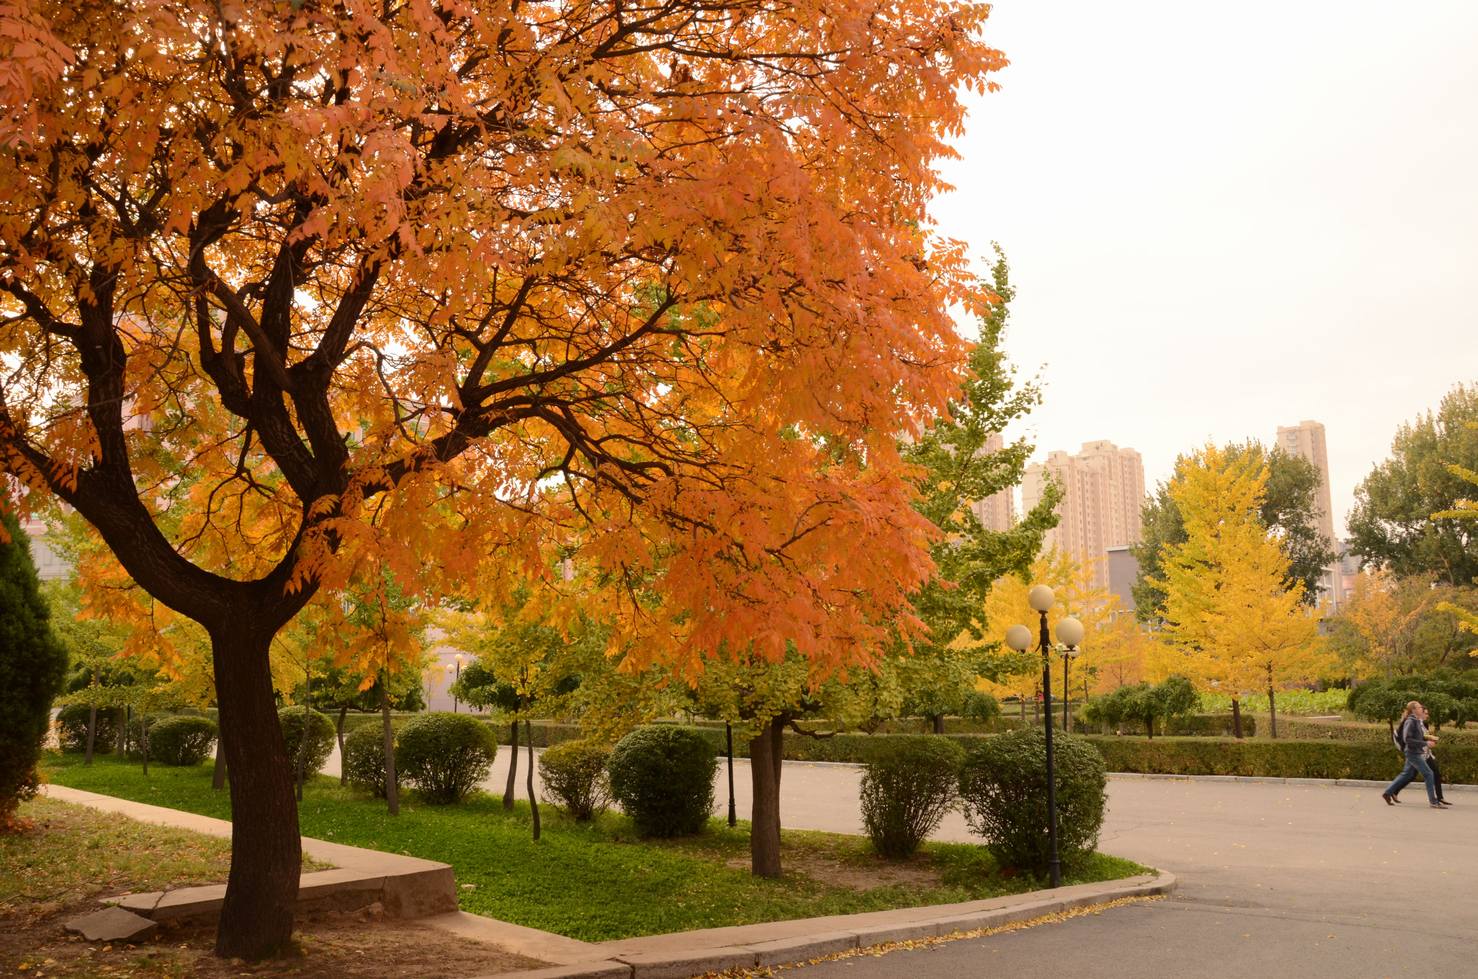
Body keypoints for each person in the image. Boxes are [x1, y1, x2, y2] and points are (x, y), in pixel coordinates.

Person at [1383, 701, 1444, 809]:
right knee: (1429, 774)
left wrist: (1428, 739)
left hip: (1415, 751)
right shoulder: (1411, 721)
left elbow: (1416, 737)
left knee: (1406, 774)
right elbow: (1408, 739)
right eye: (1420, 707)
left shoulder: (1415, 721)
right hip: (1413, 752)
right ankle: (1433, 802)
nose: (1422, 709)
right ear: (1414, 710)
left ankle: (1388, 793)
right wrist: (1425, 743)